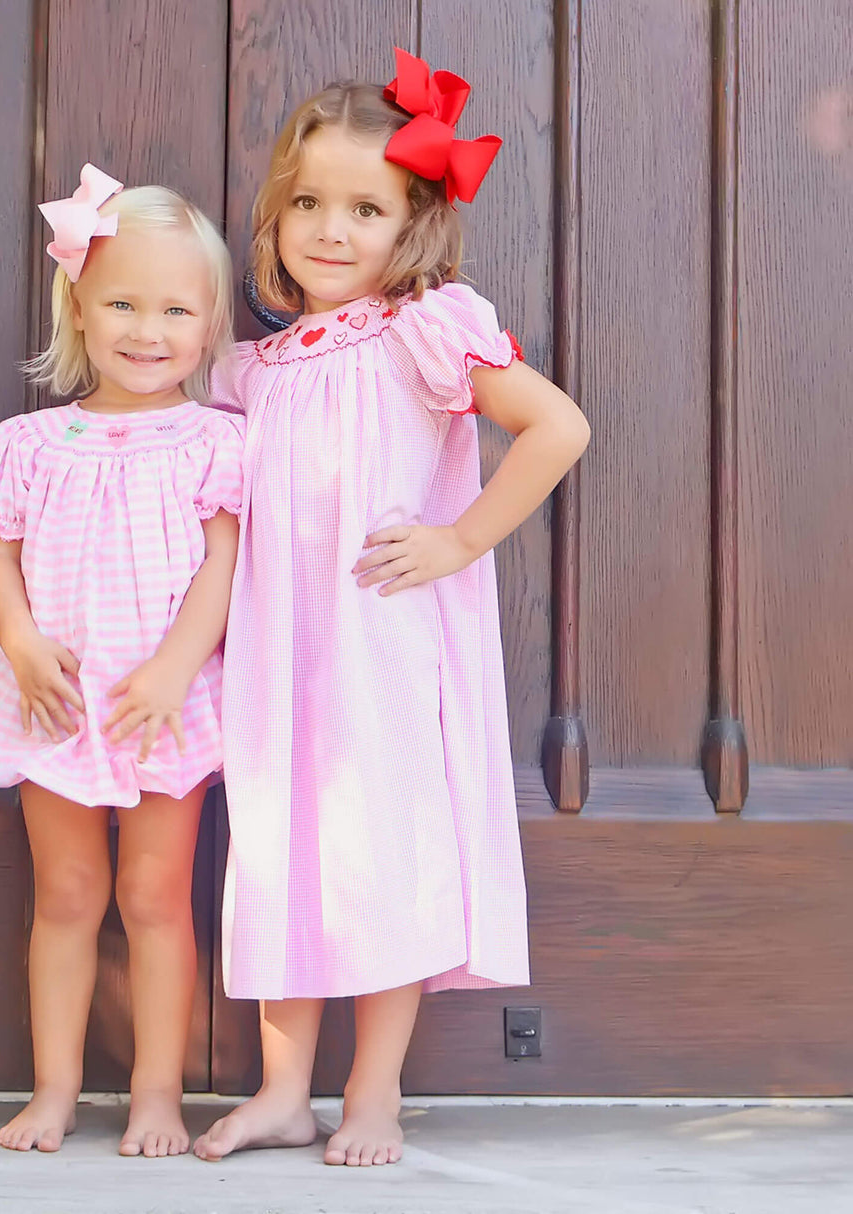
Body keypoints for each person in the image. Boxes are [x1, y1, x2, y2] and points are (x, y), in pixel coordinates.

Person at [194, 50, 591, 1167]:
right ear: (273, 220)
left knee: (378, 853)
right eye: (304, 204)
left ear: (409, 224)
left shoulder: (426, 330)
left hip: (378, 646)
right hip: (277, 658)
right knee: (277, 852)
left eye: (363, 207)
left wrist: (458, 538)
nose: (328, 229)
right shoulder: (255, 370)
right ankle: (281, 1088)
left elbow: (555, 427)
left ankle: (374, 1090)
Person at [0, 165, 243, 1157]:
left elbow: (221, 562)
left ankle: (157, 1094)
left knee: (154, 896)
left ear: (208, 325)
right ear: (78, 304)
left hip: (159, 701)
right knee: (69, 895)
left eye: (174, 308)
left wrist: (175, 665)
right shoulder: (30, 442)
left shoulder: (215, 441)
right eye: (122, 301)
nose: (146, 328)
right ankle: (54, 1088)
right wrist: (22, 639)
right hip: (53, 700)